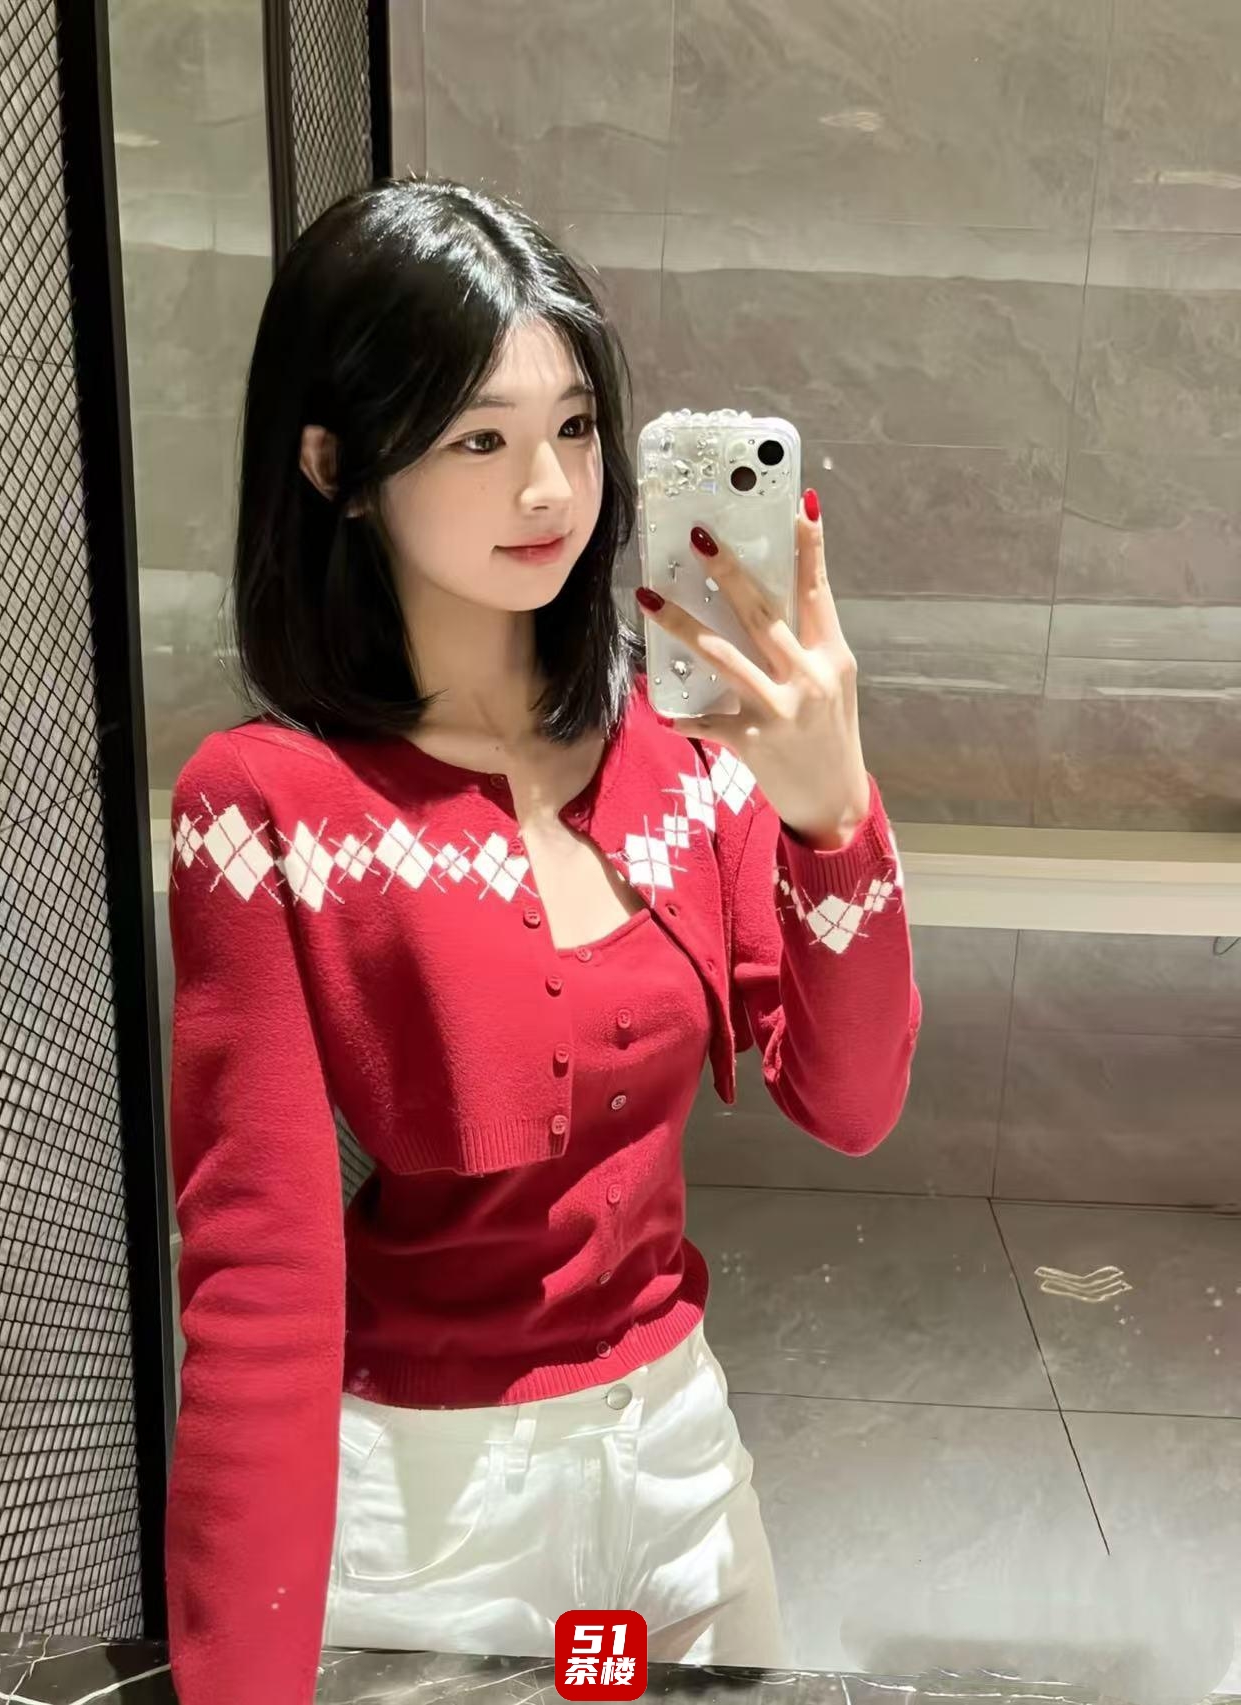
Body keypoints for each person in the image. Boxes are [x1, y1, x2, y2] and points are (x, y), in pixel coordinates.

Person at [163, 175, 922, 1705]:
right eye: (479, 438)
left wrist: (834, 812)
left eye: (574, 427)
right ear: (334, 462)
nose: (549, 490)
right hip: (433, 1510)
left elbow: (850, 1104)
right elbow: (260, 1285)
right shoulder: (265, 808)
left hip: (674, 1472)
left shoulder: (687, 750)